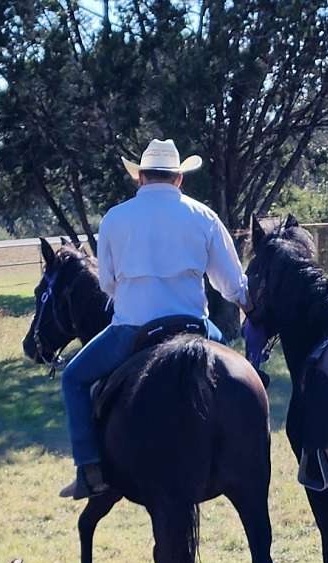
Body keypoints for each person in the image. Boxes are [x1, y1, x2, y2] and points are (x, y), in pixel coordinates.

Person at [60, 138, 250, 500]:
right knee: (235, 376)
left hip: (132, 329)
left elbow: (108, 283)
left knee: (73, 379)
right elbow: (230, 283)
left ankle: (89, 468)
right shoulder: (203, 216)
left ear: (140, 178)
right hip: (194, 326)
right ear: (179, 179)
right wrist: (246, 302)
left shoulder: (115, 218)